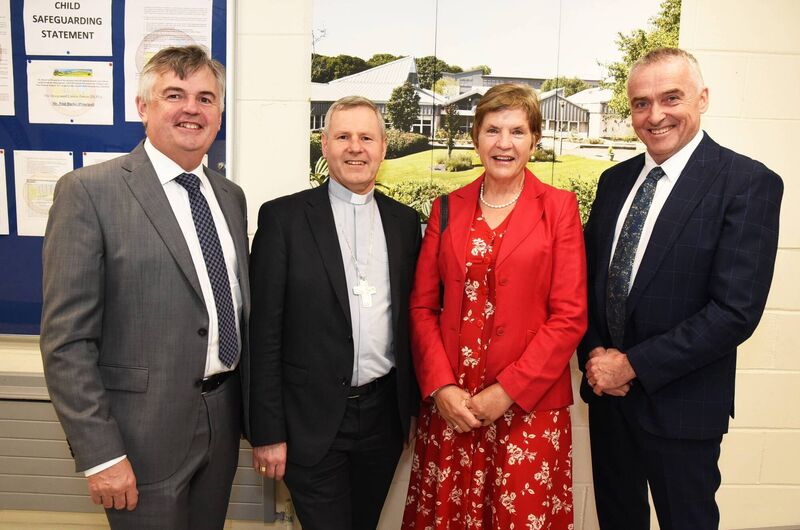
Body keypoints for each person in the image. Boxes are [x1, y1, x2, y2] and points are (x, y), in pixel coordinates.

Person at [40, 45, 249, 530]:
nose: (191, 108)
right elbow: (67, 342)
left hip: (222, 419)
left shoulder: (229, 197)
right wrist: (100, 454)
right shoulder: (89, 192)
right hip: (139, 437)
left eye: (205, 97)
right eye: (174, 95)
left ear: (219, 111)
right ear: (143, 106)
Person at [579, 47, 783, 530]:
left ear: (703, 98)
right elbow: (589, 283)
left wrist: (631, 365)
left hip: (683, 407)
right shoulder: (614, 181)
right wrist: (596, 357)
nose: (655, 115)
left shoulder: (747, 182)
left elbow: (735, 311)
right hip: (608, 401)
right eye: (640, 103)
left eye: (671, 98)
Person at [403, 83, 587, 528]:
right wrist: (441, 388)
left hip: (528, 408)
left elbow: (570, 316)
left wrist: (507, 393)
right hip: (455, 408)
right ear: (475, 138)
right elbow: (423, 308)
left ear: (535, 141)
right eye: (492, 130)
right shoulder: (446, 208)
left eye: (518, 132)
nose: (504, 143)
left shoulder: (559, 209)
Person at [248, 95, 421, 530]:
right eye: (343, 136)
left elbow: (413, 321)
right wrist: (267, 432)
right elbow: (263, 333)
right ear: (324, 145)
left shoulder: (404, 223)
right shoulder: (283, 218)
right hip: (310, 420)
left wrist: (412, 412)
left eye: (366, 137)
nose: (355, 147)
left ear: (384, 147)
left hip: (383, 417)